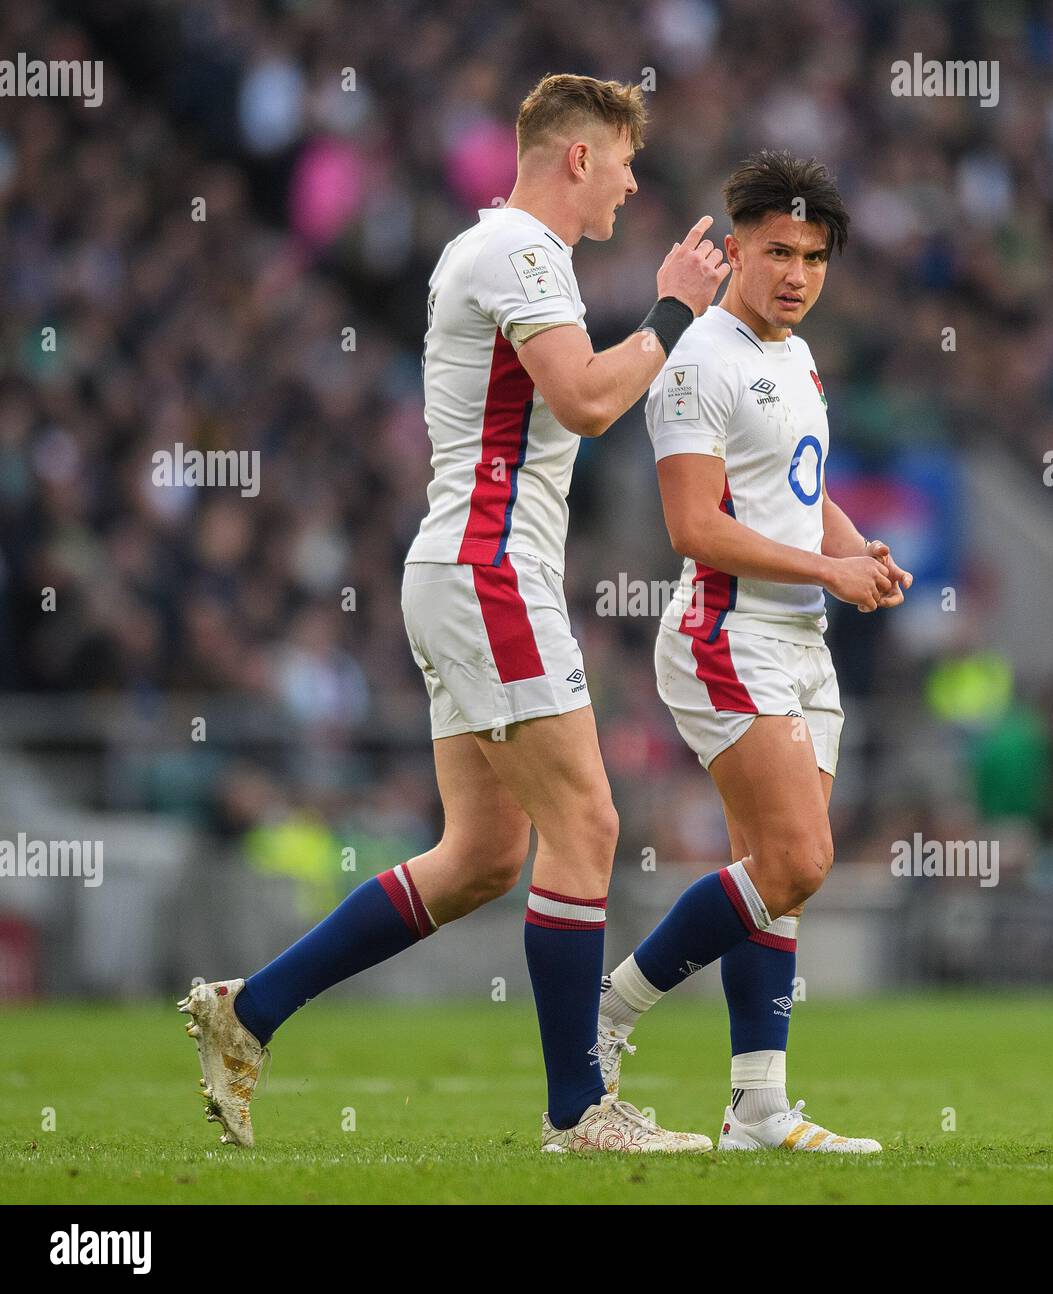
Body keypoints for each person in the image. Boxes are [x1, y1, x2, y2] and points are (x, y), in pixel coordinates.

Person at [179, 73, 728, 1153]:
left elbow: (573, 395)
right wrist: (673, 309)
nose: (630, 182)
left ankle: (248, 1012)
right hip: (489, 571)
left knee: (481, 854)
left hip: (461, 569)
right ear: (576, 155)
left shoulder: (499, 252)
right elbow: (583, 398)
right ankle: (580, 1110)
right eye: (622, 160)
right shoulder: (522, 252)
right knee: (590, 827)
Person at [597, 150, 912, 1153]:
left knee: (776, 875)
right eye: (777, 250)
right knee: (796, 858)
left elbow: (799, 495)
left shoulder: (795, 354)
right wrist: (828, 574)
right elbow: (693, 526)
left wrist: (854, 546)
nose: (796, 273)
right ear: (732, 249)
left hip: (799, 639)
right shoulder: (698, 360)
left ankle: (758, 1109)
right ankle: (609, 1010)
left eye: (814, 255)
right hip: (725, 634)